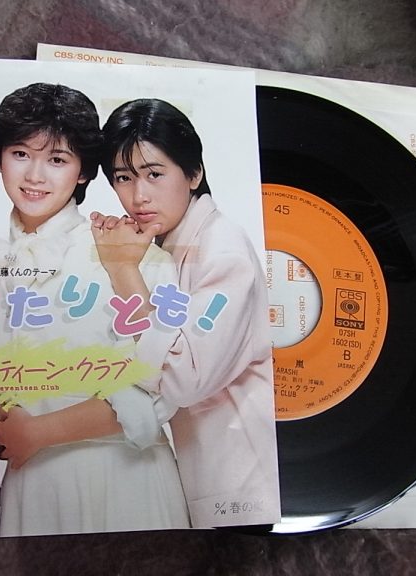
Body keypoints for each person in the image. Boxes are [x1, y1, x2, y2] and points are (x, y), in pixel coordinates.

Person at [0, 83, 189, 536]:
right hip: (31, 488)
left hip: (124, 481)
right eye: (20, 154)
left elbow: (161, 391)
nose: (35, 175)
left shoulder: (131, 253)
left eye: (57, 160)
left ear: (84, 171)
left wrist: (40, 432)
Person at [90, 98, 281, 528]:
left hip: (241, 486)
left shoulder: (222, 249)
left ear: (193, 174)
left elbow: (183, 378)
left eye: (154, 174)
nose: (138, 196)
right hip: (206, 478)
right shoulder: (166, 246)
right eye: (123, 178)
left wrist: (122, 270)